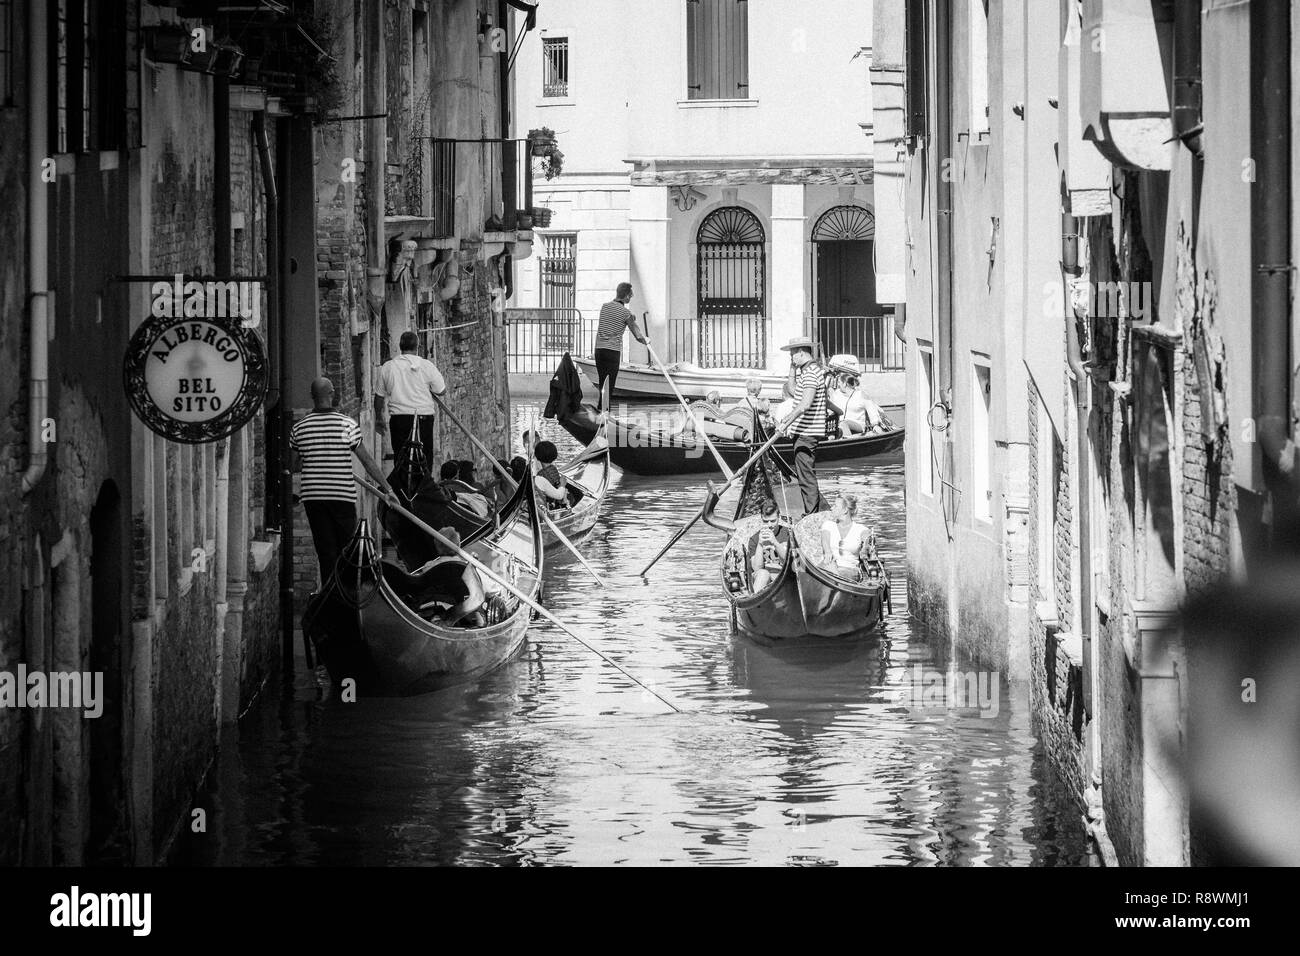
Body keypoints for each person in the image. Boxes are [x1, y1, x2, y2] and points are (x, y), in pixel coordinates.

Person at [290, 377, 397, 585]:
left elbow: (293, 465)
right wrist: (387, 488)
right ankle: (347, 594)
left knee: (325, 550)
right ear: (332, 394)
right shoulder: (347, 424)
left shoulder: (299, 428)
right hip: (341, 495)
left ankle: (331, 595)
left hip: (313, 496)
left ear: (313, 397)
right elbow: (367, 461)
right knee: (347, 550)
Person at [775, 335, 830, 514]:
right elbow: (793, 391)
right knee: (804, 474)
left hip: (807, 433)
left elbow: (805, 404)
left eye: (792, 355)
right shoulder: (808, 372)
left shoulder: (811, 373)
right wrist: (792, 369)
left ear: (800, 353)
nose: (791, 358)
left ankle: (812, 514)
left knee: (806, 476)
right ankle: (817, 511)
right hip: (803, 432)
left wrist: (786, 421)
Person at [374, 330, 446, 458]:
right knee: (425, 456)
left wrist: (379, 418)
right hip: (423, 417)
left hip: (399, 419)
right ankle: (425, 477)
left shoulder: (388, 367)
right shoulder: (427, 366)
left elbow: (379, 396)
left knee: (401, 456)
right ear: (417, 347)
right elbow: (441, 391)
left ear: (400, 347)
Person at [593, 282, 648, 411]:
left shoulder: (605, 307)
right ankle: (605, 413)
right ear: (627, 296)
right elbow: (638, 336)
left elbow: (615, 317)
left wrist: (630, 317)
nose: (631, 297)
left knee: (603, 382)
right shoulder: (625, 313)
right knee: (609, 384)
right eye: (631, 295)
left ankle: (601, 410)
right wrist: (646, 340)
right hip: (612, 351)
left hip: (599, 350)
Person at [432, 527, 486, 627]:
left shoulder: (428, 567)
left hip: (436, 615)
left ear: (437, 547)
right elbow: (491, 591)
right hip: (464, 619)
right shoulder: (469, 568)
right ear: (458, 545)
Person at [820, 494, 871, 581]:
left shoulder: (861, 529)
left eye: (835, 506)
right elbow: (825, 540)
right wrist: (828, 551)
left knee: (836, 573)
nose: (831, 508)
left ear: (845, 510)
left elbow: (867, 537)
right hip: (828, 567)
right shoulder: (828, 525)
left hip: (850, 570)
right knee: (827, 567)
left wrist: (866, 544)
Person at [746, 500, 791, 591]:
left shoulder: (788, 534)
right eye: (766, 521)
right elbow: (757, 568)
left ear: (779, 517)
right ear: (761, 518)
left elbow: (789, 562)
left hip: (784, 576)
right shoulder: (754, 539)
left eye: (773, 521)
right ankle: (755, 603)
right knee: (763, 574)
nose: (770, 525)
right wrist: (760, 544)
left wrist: (775, 542)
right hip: (763, 579)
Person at [533, 440, 571, 510]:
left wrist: (562, 485)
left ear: (537, 457)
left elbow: (558, 495)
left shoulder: (540, 476)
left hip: (550, 503)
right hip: (556, 500)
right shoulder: (554, 469)